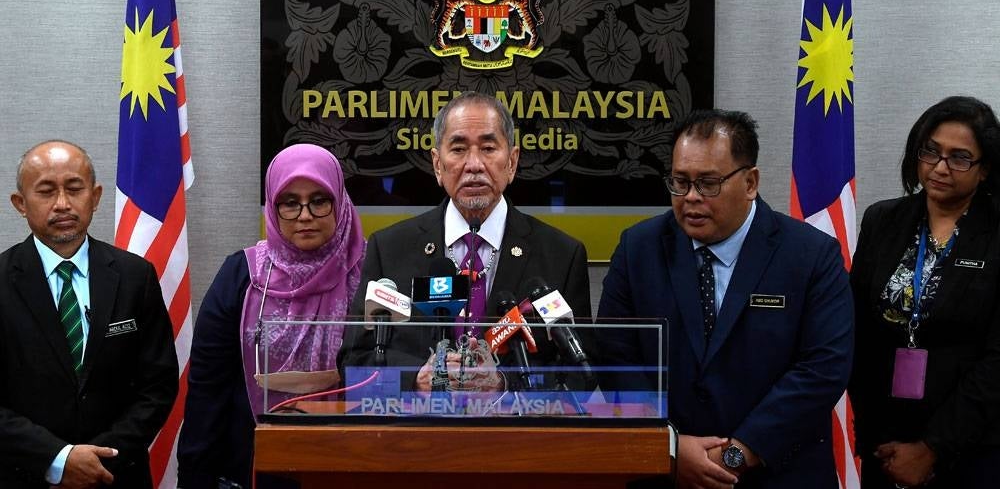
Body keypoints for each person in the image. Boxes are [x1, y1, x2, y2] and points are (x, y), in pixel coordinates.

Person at [597, 109, 854, 488]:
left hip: (778, 472)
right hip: (668, 473)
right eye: (679, 182)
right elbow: (615, 358)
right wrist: (671, 447)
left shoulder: (810, 255)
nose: (691, 198)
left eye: (709, 183)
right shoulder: (639, 248)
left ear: (750, 182)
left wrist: (739, 452)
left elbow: (823, 368)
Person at [339, 91, 591, 392]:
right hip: (415, 433)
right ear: (437, 164)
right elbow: (354, 362)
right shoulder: (389, 249)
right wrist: (414, 379)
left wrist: (504, 383)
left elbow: (582, 373)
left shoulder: (561, 255)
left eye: (488, 147)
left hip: (515, 431)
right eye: (458, 149)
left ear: (512, 162)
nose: (474, 164)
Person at [177, 144, 365, 489]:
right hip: (255, 467)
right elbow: (208, 390)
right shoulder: (242, 275)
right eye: (290, 202)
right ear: (273, 208)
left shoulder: (371, 273)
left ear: (340, 200)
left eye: (320, 199)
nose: (304, 215)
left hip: (357, 462)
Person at [0, 140, 178, 488]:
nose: (63, 204)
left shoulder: (134, 276)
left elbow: (157, 385)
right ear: (20, 204)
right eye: (46, 191)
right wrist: (58, 459)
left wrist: (100, 458)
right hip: (24, 475)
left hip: (116, 474)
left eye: (74, 189)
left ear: (95, 197)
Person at [848, 96, 1000, 488]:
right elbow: (857, 329)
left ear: (985, 170)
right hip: (886, 443)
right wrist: (871, 436)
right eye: (931, 151)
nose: (940, 167)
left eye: (960, 157)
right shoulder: (882, 220)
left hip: (972, 447)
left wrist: (933, 448)